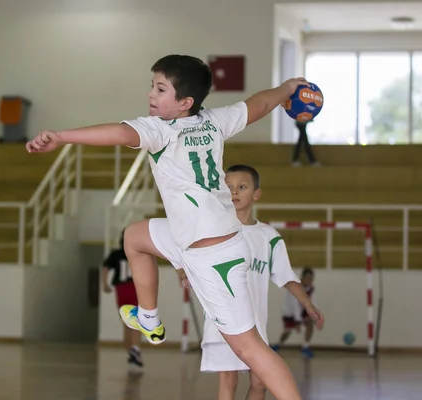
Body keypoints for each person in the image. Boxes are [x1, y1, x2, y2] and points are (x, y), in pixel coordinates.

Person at [26, 54, 310, 400]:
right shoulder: (214, 121)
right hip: (189, 236)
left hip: (213, 256)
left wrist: (62, 136)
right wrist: (288, 87)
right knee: (134, 237)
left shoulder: (159, 129)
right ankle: (149, 319)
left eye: (161, 89)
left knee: (250, 350)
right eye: (152, 86)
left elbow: (117, 132)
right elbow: (260, 104)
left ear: (184, 103)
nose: (151, 95)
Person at [176, 165, 324, 400]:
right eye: (229, 187)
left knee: (260, 382)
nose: (234, 192)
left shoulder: (269, 236)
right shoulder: (213, 233)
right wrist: (182, 271)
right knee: (229, 379)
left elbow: (287, 276)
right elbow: (186, 256)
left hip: (255, 325)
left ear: (256, 194)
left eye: (242, 187)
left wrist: (307, 304)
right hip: (222, 322)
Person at [102, 230, 143, 369]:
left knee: (127, 322)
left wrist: (105, 284)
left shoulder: (116, 254)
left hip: (121, 289)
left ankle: (131, 351)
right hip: (133, 287)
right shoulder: (138, 253)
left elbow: (105, 268)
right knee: (136, 321)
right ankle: (135, 349)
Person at [272, 267, 318, 358]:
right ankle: (278, 345)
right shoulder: (296, 287)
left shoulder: (311, 289)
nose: (309, 280)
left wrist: (315, 315)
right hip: (290, 312)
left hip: (302, 311)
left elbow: (312, 302)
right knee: (287, 331)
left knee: (310, 323)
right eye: (308, 278)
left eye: (311, 278)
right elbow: (294, 305)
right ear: (302, 277)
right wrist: (297, 321)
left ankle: (305, 347)